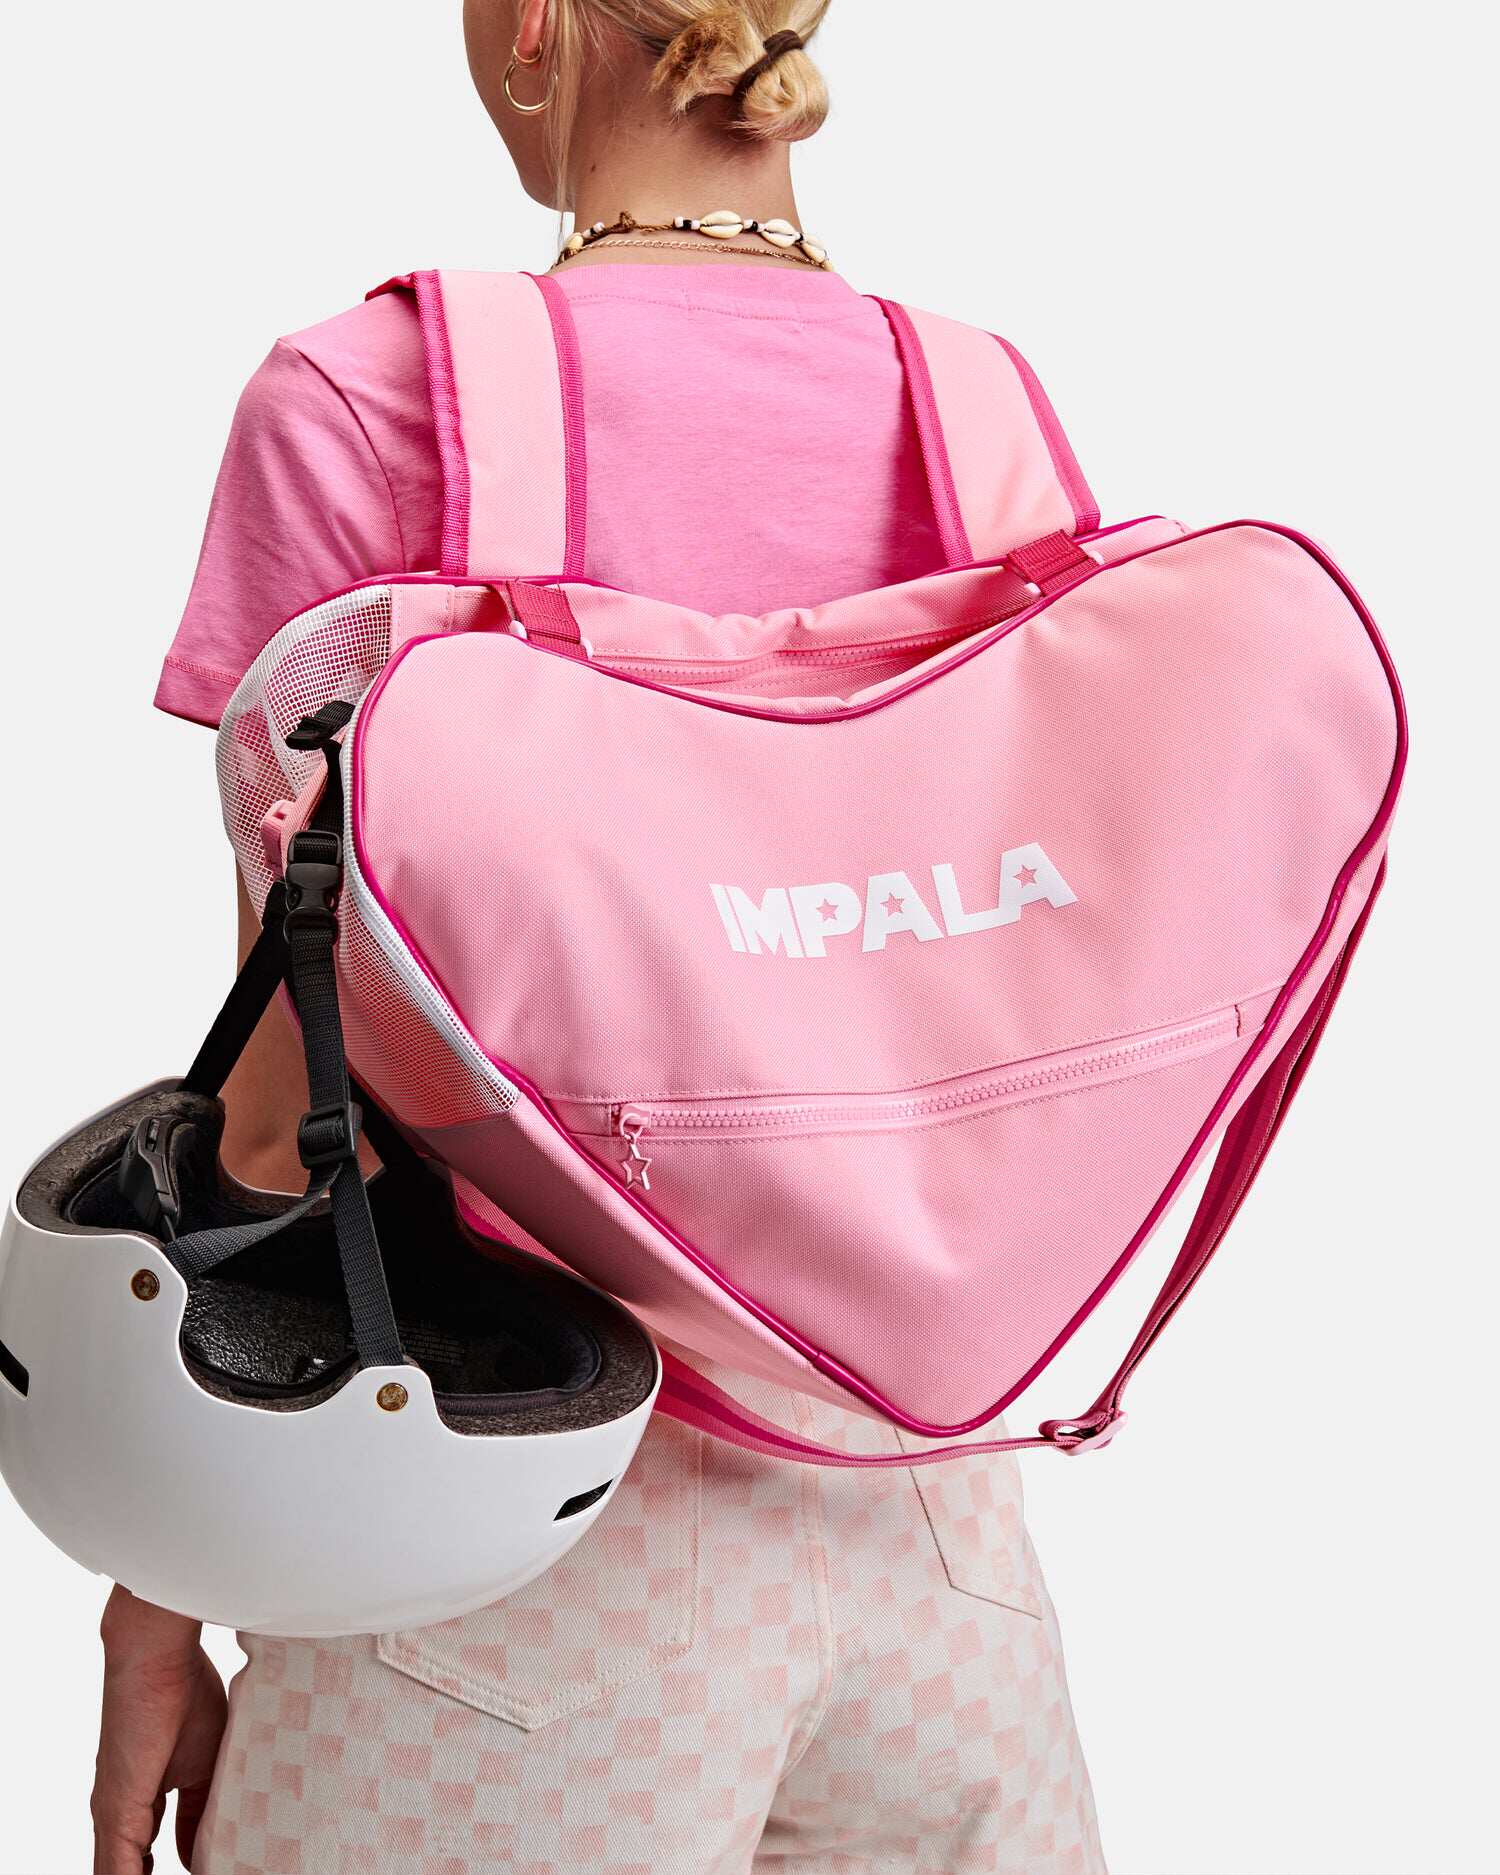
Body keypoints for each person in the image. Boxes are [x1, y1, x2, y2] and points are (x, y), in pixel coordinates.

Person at [95, 4, 1107, 1870]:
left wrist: (156, 1590)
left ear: (539, 25)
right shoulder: (982, 420)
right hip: (944, 1552)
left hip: (498, 1549)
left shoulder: (374, 399)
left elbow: (283, 1111)